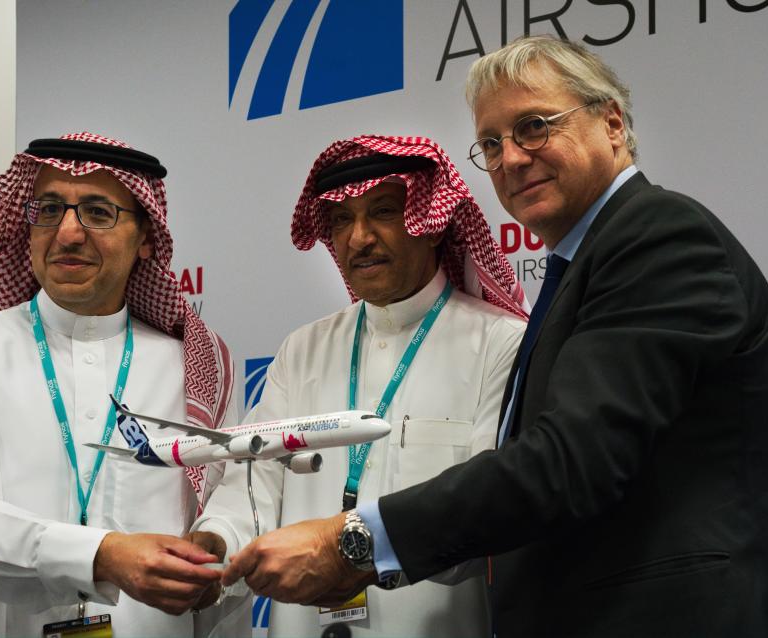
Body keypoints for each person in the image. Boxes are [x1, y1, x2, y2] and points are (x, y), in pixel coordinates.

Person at [220, 37, 768, 637]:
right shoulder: (580, 266)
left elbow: (572, 459)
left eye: (534, 126)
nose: (510, 158)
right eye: (491, 143)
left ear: (612, 122)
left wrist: (354, 541)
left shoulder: (657, 237)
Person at [0, 132, 235, 637]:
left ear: (145, 240)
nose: (68, 233)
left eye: (98, 212)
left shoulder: (192, 367)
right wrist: (103, 556)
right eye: (48, 210)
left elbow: (231, 510)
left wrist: (214, 547)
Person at [189, 135, 528, 637]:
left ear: (431, 224)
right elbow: (253, 482)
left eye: (383, 212)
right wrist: (216, 541)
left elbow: (491, 511)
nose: (358, 238)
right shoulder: (303, 348)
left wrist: (355, 553)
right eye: (342, 220)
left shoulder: (500, 343)